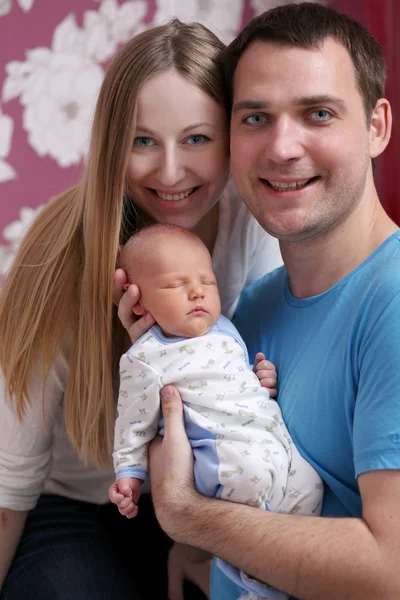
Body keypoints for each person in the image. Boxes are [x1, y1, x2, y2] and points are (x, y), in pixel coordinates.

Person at [0, 19, 282, 600]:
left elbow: (250, 404)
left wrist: (199, 536)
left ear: (232, 137)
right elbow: (9, 487)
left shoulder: (254, 229)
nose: (171, 172)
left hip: (201, 495)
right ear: (111, 144)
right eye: (143, 140)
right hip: (72, 507)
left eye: (198, 139)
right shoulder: (57, 256)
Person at [141, 3, 400, 600]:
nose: (282, 147)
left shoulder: (391, 302)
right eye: (256, 117)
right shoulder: (249, 311)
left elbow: (390, 571)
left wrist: (184, 516)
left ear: (376, 127)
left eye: (317, 113)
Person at [109, 224, 322, 600]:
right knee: (254, 494)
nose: (197, 292)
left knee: (309, 487)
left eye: (207, 282)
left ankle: (281, 580)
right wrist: (129, 472)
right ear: (139, 302)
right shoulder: (146, 356)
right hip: (222, 453)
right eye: (177, 285)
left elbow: (235, 382)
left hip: (269, 436)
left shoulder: (225, 329)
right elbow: (132, 419)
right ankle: (255, 583)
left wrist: (260, 381)